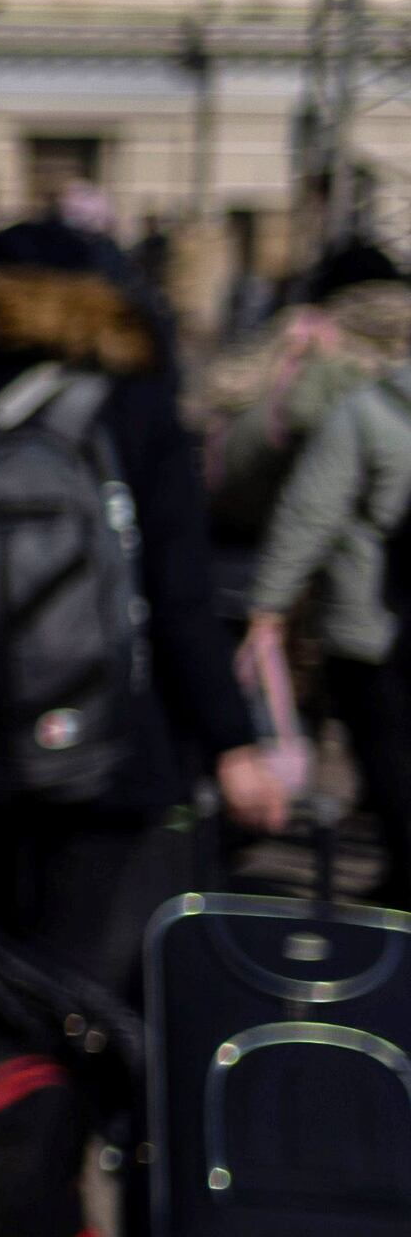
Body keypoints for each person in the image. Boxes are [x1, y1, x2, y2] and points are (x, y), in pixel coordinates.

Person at [0, 229, 278, 996]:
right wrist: (233, 741)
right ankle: (62, 1114)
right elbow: (178, 596)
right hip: (112, 748)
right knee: (83, 992)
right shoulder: (133, 403)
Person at [246, 341, 411, 870]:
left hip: (368, 627)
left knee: (391, 764)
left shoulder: (366, 410)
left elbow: (310, 514)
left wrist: (267, 607)